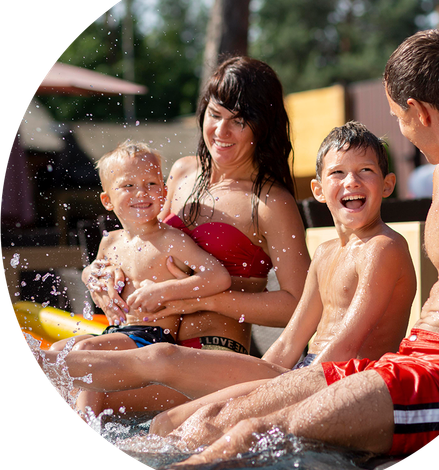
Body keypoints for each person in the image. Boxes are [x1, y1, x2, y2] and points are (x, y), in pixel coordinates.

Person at [168, 29, 439, 465]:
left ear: (417, 111)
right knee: (210, 419)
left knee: (254, 434)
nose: (404, 131)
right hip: (408, 359)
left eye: (397, 117)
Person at [39, 121, 417, 433]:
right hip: (301, 370)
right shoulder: (327, 253)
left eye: (364, 171)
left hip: (340, 379)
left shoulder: (382, 248)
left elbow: (346, 349)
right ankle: (51, 361)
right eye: (338, 173)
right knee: (166, 424)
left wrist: (263, 392)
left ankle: (44, 362)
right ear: (318, 190)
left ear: (387, 184)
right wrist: (253, 381)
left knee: (166, 362)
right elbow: (288, 346)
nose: (350, 182)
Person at [55, 57, 311, 415]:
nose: (221, 131)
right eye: (215, 114)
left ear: (262, 125)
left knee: (88, 395)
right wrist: (99, 274)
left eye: (238, 121)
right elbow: (143, 240)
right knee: (60, 372)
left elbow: (299, 306)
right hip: (149, 339)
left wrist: (202, 300)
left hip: (211, 354)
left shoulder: (270, 202)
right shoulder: (183, 173)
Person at [49, 141, 231, 417]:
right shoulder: (110, 242)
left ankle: (90, 422)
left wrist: (166, 290)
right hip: (116, 334)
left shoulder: (171, 240)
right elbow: (96, 273)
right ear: (107, 200)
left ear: (164, 192)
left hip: (153, 338)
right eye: (128, 186)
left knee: (89, 352)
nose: (141, 193)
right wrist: (90, 276)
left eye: (150, 184)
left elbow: (218, 277)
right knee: (56, 352)